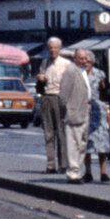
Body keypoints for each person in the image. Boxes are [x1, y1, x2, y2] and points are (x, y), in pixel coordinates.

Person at [36, 37, 71, 174]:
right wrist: (40, 78)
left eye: (55, 48)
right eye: (50, 48)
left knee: (62, 133)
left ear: (60, 48)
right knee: (48, 133)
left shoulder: (66, 64)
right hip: (46, 97)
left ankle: (63, 164)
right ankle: (51, 165)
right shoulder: (45, 63)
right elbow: (41, 81)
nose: (53, 50)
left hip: (59, 98)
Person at [59, 48, 94, 184]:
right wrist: (68, 109)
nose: (84, 61)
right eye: (81, 58)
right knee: (73, 143)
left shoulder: (83, 71)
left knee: (82, 143)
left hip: (85, 111)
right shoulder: (71, 71)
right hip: (74, 112)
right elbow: (63, 95)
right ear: (75, 59)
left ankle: (76, 170)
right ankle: (73, 173)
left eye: (86, 58)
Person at [84, 53, 110, 182]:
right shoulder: (79, 74)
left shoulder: (99, 74)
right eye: (84, 60)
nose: (86, 63)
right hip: (83, 109)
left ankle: (103, 171)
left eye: (89, 61)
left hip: (98, 109)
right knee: (86, 142)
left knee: (102, 141)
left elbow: (105, 92)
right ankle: (88, 171)